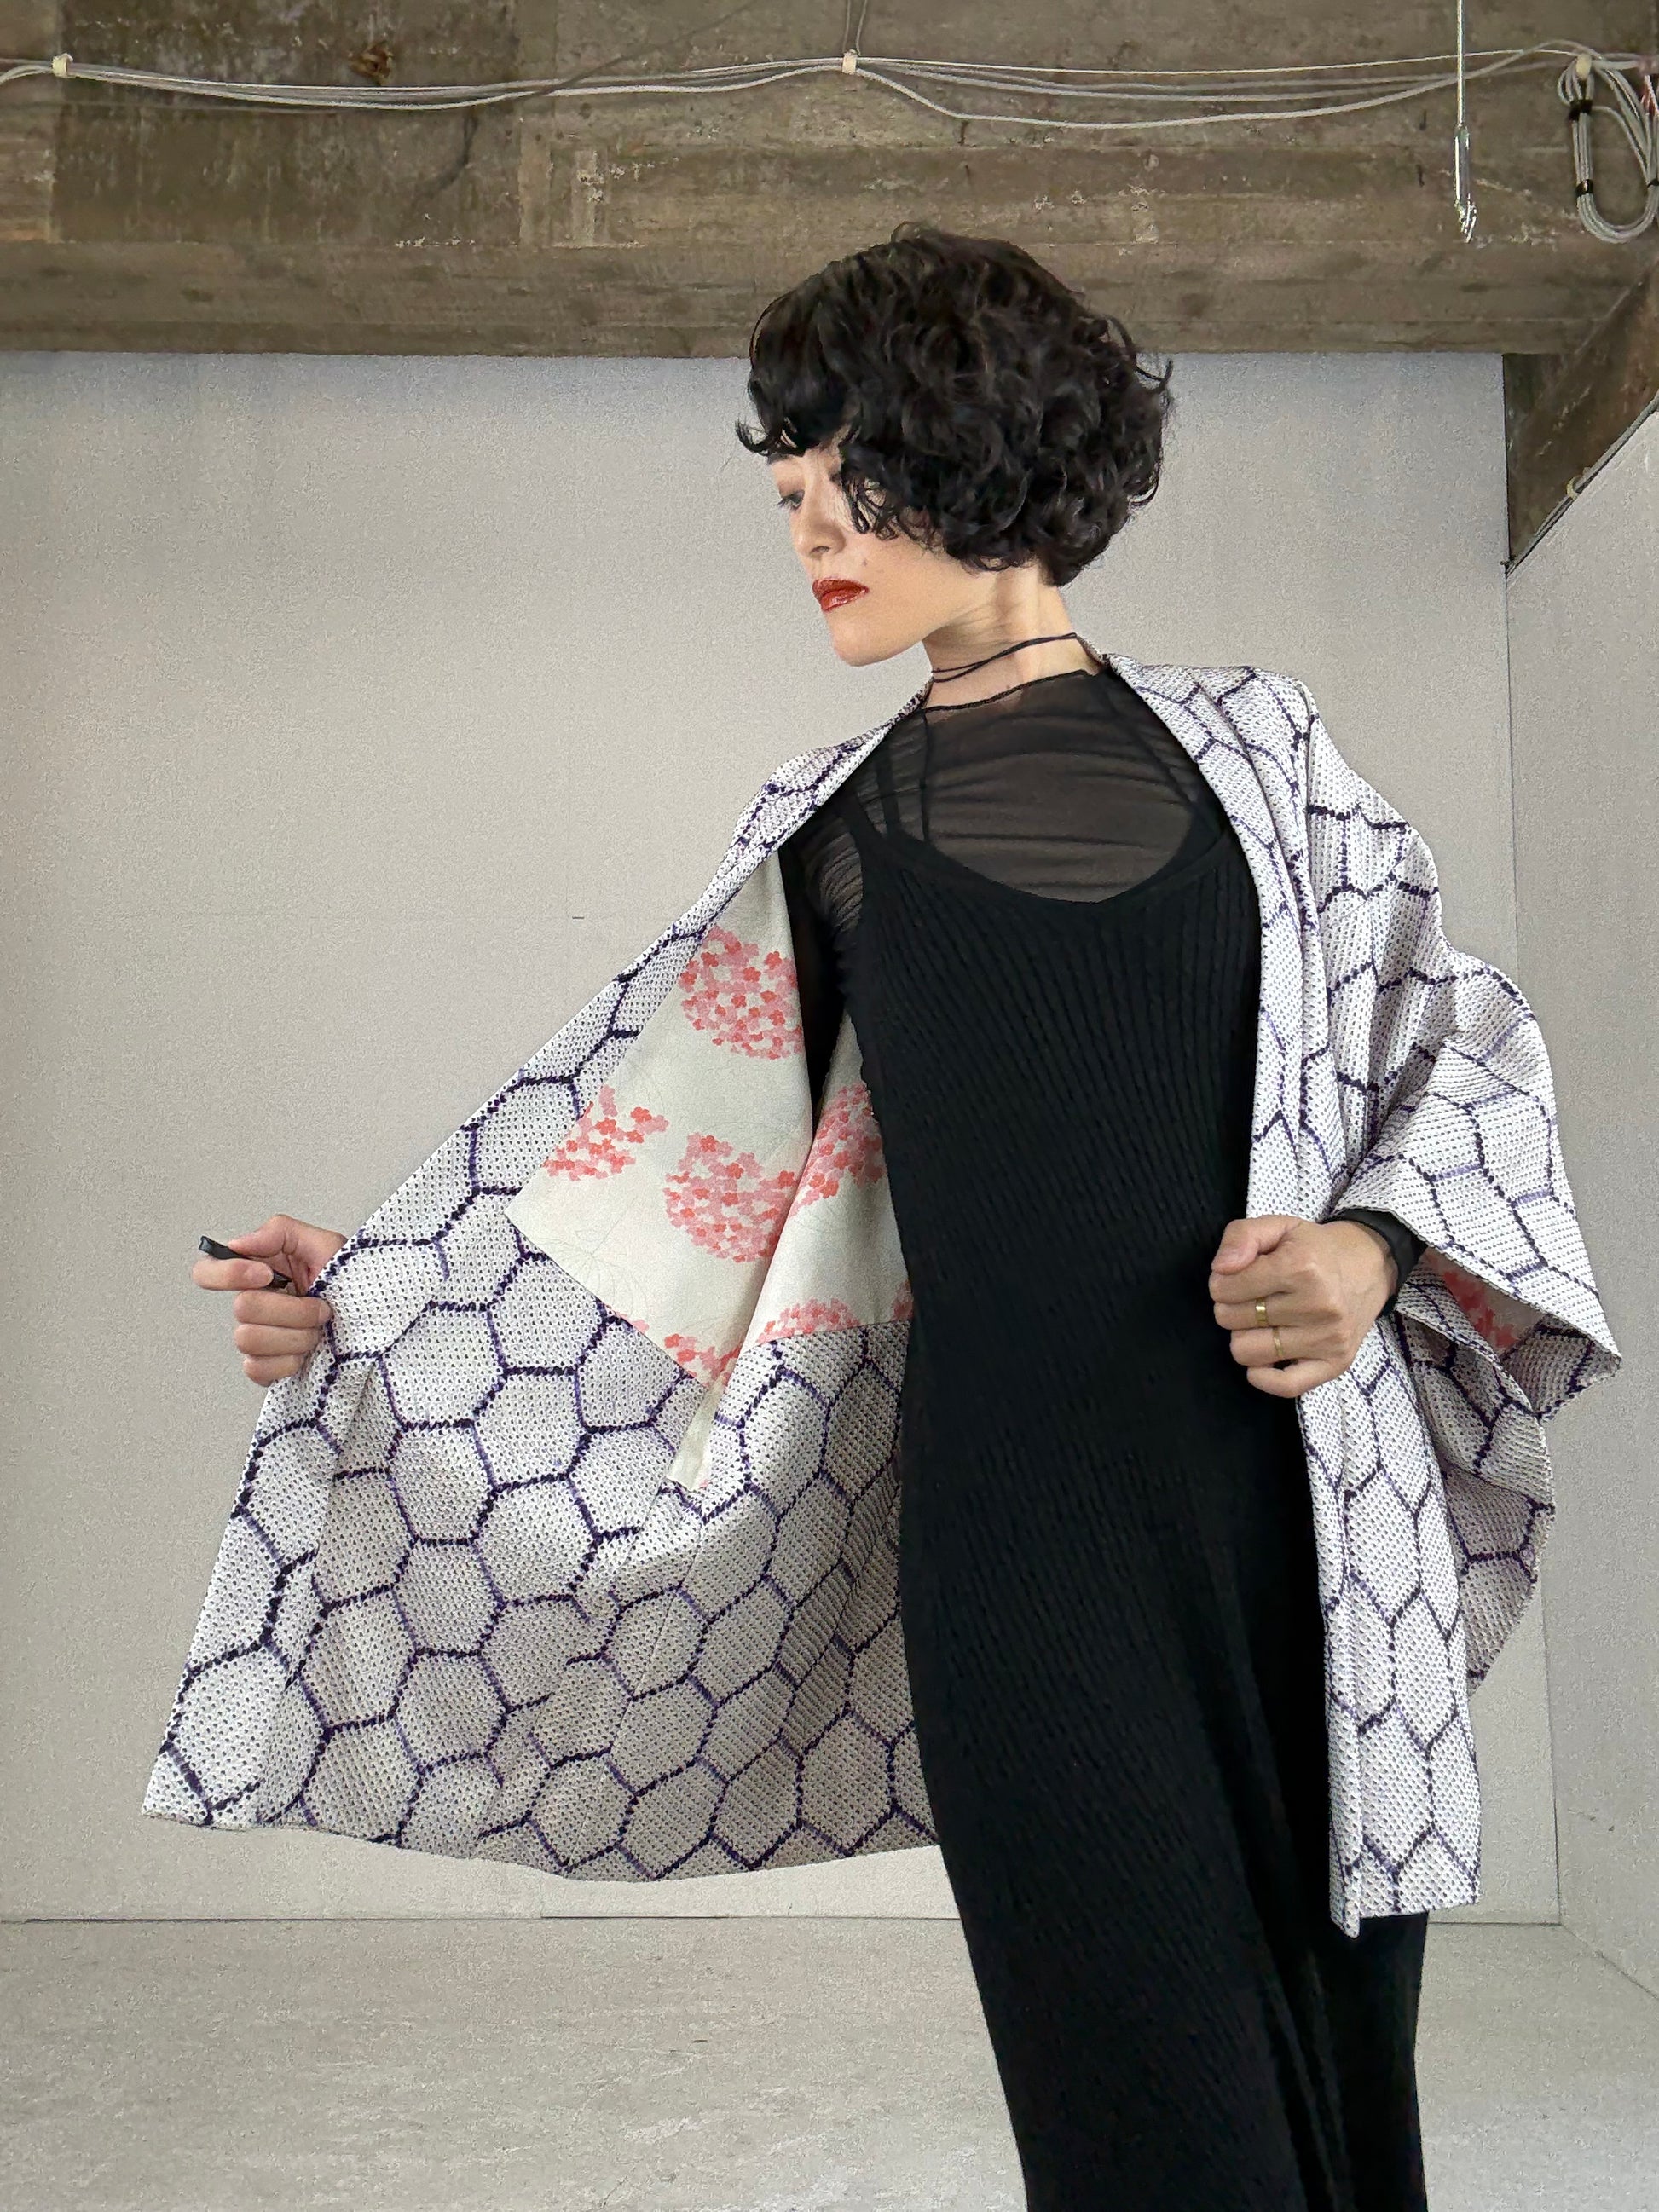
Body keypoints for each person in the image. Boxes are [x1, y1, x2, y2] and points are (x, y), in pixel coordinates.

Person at [188, 224, 1462, 2208]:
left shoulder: (1267, 759)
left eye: (837, 467)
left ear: (972, 436)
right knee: (1142, 2106)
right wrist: (371, 1304)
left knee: (1346, 2088)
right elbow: (653, 1182)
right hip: (1019, 1546)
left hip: (1306, 1523)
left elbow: (1454, 1052)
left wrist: (1366, 1255)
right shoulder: (834, 832)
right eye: (782, 486)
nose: (804, 525)